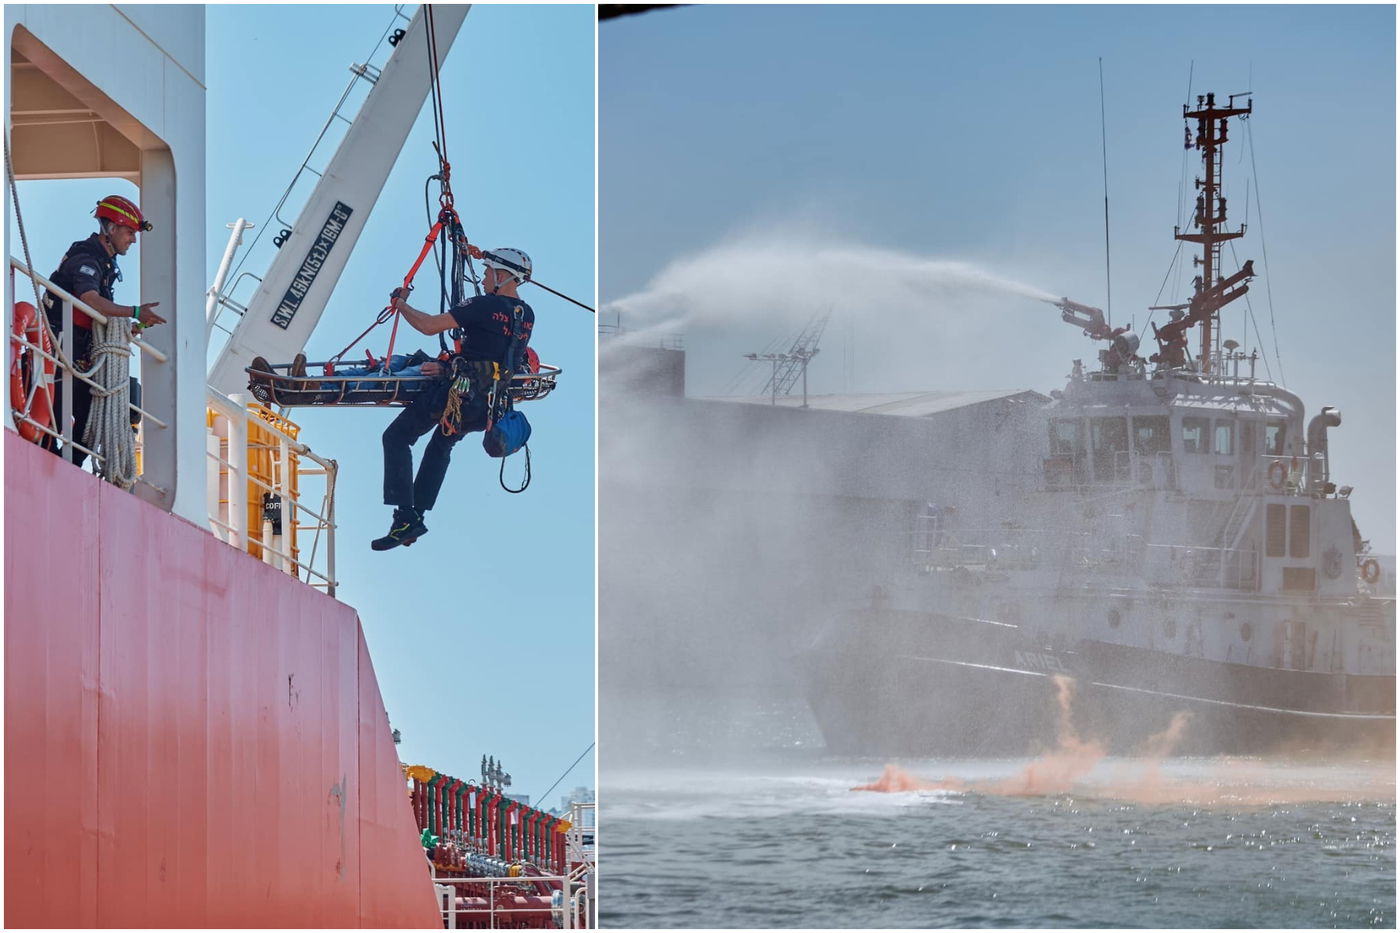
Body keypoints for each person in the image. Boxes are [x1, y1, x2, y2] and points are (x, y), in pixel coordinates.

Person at [372, 248, 535, 550]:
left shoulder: (484, 305)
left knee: (396, 437)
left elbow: (429, 326)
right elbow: (497, 352)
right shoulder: (526, 315)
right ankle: (412, 519)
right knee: (440, 446)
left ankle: (406, 516)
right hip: (487, 405)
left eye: (488, 272)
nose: (484, 277)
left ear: (501, 276)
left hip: (456, 396)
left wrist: (401, 304)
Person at [41, 195, 165, 467]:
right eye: (130, 232)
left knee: (89, 425)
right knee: (52, 415)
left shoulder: (104, 263)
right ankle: (47, 462)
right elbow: (91, 300)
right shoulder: (86, 257)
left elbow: (97, 315)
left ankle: (65, 470)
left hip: (80, 354)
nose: (133, 239)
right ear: (111, 229)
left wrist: (133, 327)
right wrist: (133, 311)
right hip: (61, 351)